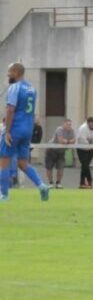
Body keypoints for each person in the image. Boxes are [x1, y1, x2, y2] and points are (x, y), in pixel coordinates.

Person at [1, 63, 51, 202]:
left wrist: (7, 131)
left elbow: (10, 110)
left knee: (3, 160)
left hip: (15, 128)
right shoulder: (32, 88)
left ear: (16, 72)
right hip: (28, 129)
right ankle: (41, 186)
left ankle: (4, 195)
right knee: (23, 163)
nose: (8, 74)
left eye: (9, 71)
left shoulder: (14, 87)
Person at [46, 117, 73, 189]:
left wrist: (67, 141)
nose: (69, 126)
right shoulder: (59, 129)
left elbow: (74, 140)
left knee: (60, 167)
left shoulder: (71, 131)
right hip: (51, 150)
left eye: (70, 125)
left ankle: (58, 183)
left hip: (61, 151)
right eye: (67, 124)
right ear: (63, 124)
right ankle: (50, 183)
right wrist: (68, 141)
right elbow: (60, 140)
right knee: (49, 167)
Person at [76, 116, 93, 190]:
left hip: (90, 150)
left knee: (85, 166)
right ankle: (88, 181)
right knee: (85, 165)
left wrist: (92, 141)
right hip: (81, 149)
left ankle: (83, 183)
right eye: (91, 125)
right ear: (88, 124)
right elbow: (83, 140)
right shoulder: (82, 128)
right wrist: (91, 141)